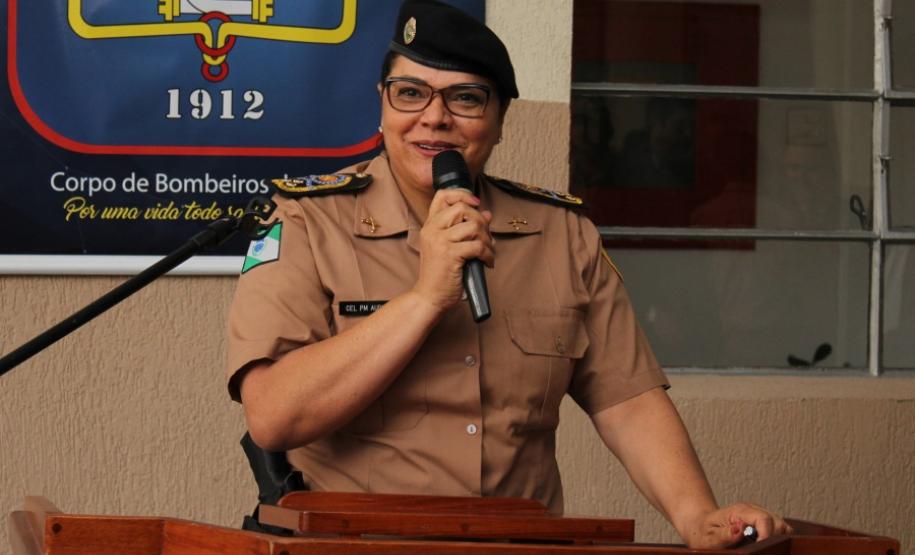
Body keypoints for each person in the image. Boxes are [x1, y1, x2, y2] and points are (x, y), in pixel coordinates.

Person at [226, 0, 791, 548]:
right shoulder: (306, 220)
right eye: (410, 93)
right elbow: (273, 415)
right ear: (382, 103)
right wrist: (424, 298)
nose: (434, 117)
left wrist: (696, 515)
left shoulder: (561, 233)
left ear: (499, 121)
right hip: (355, 545)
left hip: (521, 543)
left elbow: (627, 400)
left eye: (465, 99)